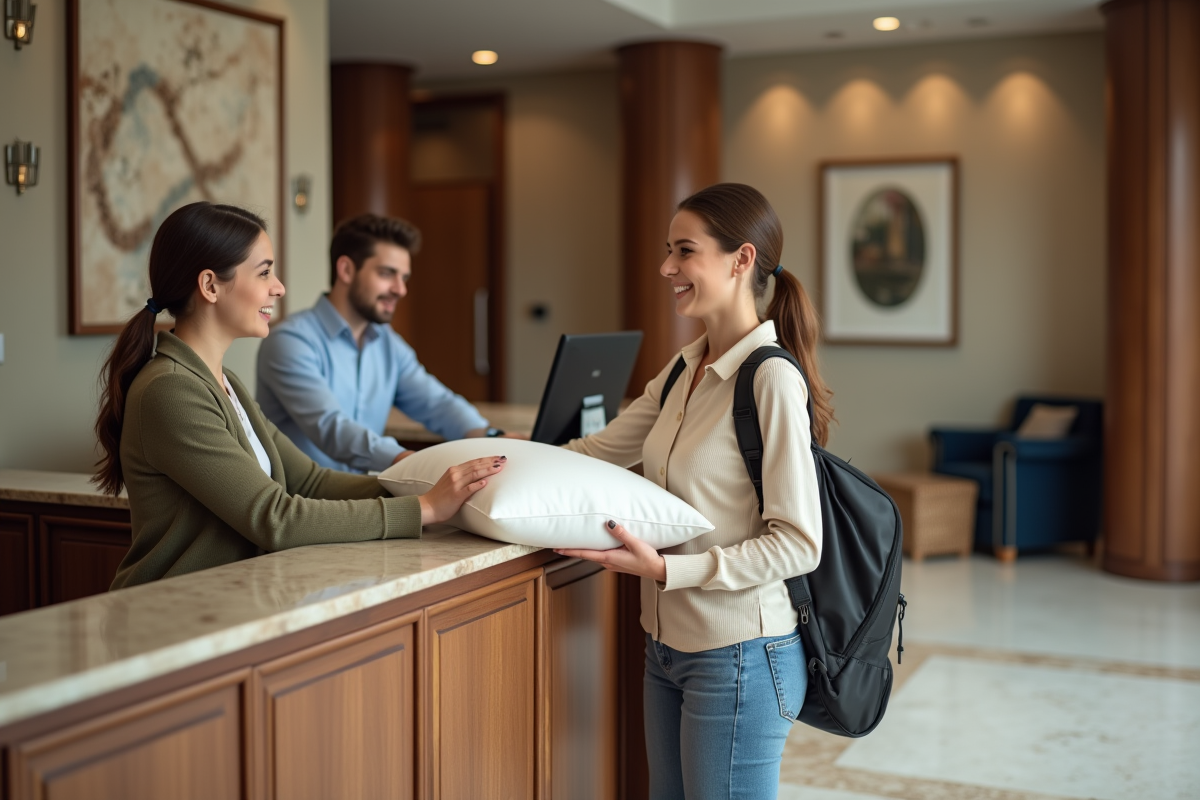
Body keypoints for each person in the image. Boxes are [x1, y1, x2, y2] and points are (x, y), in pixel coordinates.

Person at [554, 183, 833, 800]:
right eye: (668, 250)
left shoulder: (771, 379)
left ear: (742, 260)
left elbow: (799, 544)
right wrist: (494, 462)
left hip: (740, 655)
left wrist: (668, 571)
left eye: (685, 251)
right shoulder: (683, 369)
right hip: (667, 649)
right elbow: (596, 453)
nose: (666, 268)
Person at [94, 202, 506, 589]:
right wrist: (424, 508)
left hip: (229, 603)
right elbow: (276, 518)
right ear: (210, 285)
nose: (279, 288)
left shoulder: (224, 382)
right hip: (173, 617)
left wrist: (420, 484)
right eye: (264, 273)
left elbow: (309, 479)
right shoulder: (171, 389)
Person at [256, 213, 517, 473]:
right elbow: (331, 428)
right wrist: (415, 464)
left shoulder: (388, 344)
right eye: (387, 274)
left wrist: (491, 436)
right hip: (299, 504)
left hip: (360, 495)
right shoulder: (290, 341)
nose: (400, 289)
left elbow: (436, 403)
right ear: (346, 269)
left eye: (403, 277)